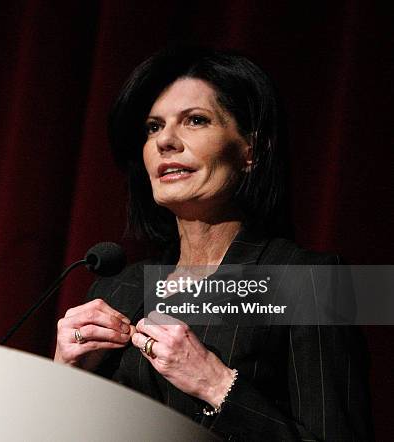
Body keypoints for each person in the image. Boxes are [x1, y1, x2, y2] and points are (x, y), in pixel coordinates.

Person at [54, 46, 373, 440]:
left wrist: (217, 385)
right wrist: (62, 376)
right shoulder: (116, 287)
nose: (165, 141)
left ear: (251, 151)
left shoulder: (308, 281)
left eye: (195, 120)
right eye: (153, 127)